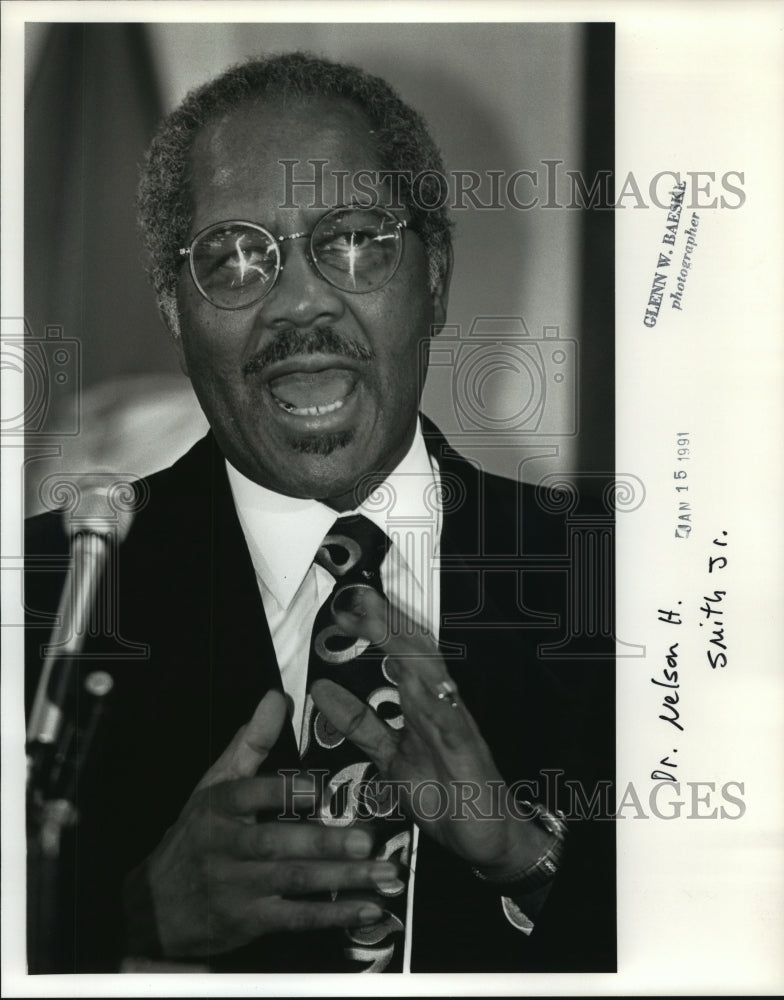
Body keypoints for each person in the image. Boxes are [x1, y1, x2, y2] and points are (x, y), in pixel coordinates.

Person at [25, 51, 615, 974]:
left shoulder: (618, 584)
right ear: (174, 311)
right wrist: (122, 923)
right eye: (233, 257)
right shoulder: (45, 605)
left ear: (436, 276)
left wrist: (527, 859)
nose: (300, 303)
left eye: (354, 240)